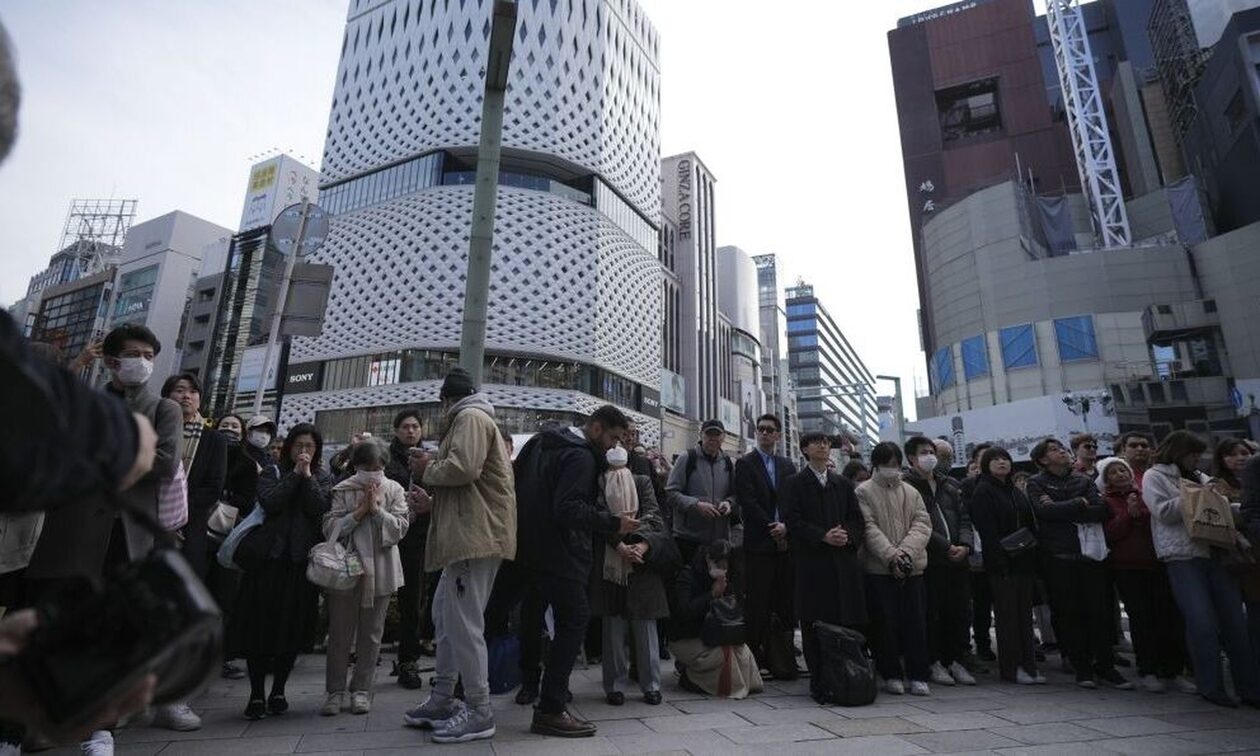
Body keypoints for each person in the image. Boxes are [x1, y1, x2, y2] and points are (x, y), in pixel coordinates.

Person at [403, 369, 515, 744]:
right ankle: (443, 697)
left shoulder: (470, 417)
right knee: (446, 618)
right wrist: (433, 503)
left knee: (464, 625)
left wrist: (426, 468)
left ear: (446, 400)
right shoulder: (476, 418)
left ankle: (479, 711)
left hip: (475, 540)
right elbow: (475, 487)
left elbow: (464, 469)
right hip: (469, 536)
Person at [510, 405, 636, 738]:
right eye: (613, 438)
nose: (614, 447)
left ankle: (482, 690)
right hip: (560, 553)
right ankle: (551, 708)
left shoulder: (540, 443)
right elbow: (568, 508)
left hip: (527, 548)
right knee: (574, 619)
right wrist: (613, 522)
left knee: (520, 618)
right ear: (595, 428)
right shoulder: (581, 456)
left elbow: (516, 484)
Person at [1145, 431, 1260, 707]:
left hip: (1218, 552)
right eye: (1192, 453)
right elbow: (1162, 512)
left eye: (1198, 454)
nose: (1196, 458)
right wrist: (1193, 497)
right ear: (1177, 451)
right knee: (1202, 622)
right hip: (1183, 556)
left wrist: (1232, 504)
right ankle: (1211, 686)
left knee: (1234, 623)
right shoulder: (1156, 476)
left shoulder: (1201, 476)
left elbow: (1222, 509)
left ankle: (1250, 688)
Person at [228, 423, 332, 720]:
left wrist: (308, 477)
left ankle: (280, 691)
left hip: (299, 564)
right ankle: (257, 694)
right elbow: (270, 502)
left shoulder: (323, 477)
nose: (304, 452)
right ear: (288, 448)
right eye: (299, 445)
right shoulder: (272, 472)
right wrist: (295, 475)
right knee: (259, 629)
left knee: (291, 630)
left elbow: (318, 508)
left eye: (309, 447)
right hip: (267, 562)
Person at [1026, 438, 1129, 690]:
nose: (1061, 452)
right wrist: (1078, 503)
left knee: (1100, 613)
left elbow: (1101, 510)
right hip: (1058, 558)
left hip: (1090, 557)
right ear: (1042, 460)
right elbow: (1044, 513)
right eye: (1053, 450)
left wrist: (1064, 507)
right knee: (1067, 614)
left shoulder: (1083, 480)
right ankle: (1082, 667)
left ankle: (1105, 665)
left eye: (1061, 448)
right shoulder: (1036, 482)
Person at [321, 438, 410, 716]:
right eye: (367, 466)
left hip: (381, 569)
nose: (373, 472)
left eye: (378, 466)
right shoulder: (342, 489)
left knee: (372, 635)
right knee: (339, 634)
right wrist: (358, 513)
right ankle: (334, 691)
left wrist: (378, 512)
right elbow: (330, 527)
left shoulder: (394, 489)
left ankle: (361, 689)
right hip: (346, 568)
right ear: (356, 465)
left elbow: (400, 529)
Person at [779, 431, 867, 703]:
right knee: (813, 624)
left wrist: (847, 536)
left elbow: (857, 520)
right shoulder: (795, 483)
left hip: (843, 563)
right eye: (816, 442)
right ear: (804, 449)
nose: (822, 446)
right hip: (812, 563)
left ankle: (846, 675)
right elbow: (792, 521)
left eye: (826, 442)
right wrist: (822, 536)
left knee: (845, 621)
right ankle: (819, 680)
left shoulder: (841, 484)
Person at [1098, 456, 1192, 694]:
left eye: (1123, 469)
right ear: (1105, 478)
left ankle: (1172, 670)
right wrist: (1129, 514)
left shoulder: (1145, 493)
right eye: (1113, 472)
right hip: (1127, 566)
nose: (1120, 474)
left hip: (1157, 561)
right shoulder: (1104, 501)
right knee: (1141, 620)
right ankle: (1147, 670)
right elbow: (1110, 534)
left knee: (1167, 618)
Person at [588, 443, 673, 706]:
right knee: (613, 624)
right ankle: (615, 685)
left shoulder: (642, 481)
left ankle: (651, 684)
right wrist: (619, 544)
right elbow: (599, 518)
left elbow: (653, 516)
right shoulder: (598, 482)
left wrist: (640, 545)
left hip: (641, 559)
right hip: (611, 561)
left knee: (645, 623)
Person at [857, 441, 933, 696]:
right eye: (886, 465)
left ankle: (918, 674)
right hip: (879, 568)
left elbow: (922, 524)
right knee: (885, 623)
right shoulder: (863, 492)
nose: (892, 469)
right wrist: (891, 555)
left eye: (895, 464)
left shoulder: (911, 492)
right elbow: (867, 527)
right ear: (876, 465)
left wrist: (906, 553)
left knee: (916, 623)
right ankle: (890, 673)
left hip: (913, 569)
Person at [902, 436, 975, 687]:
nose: (930, 456)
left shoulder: (950, 484)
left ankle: (955, 660)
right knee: (932, 613)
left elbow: (965, 518)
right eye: (924, 452)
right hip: (930, 559)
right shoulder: (906, 486)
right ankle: (934, 662)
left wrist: (965, 545)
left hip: (958, 561)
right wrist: (946, 547)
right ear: (911, 457)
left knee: (958, 613)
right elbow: (916, 523)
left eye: (932, 452)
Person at [968, 447, 1043, 684]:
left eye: (1005, 459)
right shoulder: (984, 491)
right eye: (996, 459)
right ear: (985, 464)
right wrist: (999, 559)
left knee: (1024, 615)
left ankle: (1029, 666)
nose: (1002, 463)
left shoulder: (1015, 490)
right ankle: (1012, 668)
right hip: (1002, 563)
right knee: (1008, 617)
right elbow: (987, 531)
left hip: (1024, 559)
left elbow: (1030, 521)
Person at [733, 413, 797, 675]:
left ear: (778, 435)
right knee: (757, 602)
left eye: (770, 430)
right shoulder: (745, 464)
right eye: (761, 429)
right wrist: (772, 527)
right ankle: (754, 658)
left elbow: (793, 501)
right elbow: (747, 502)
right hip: (759, 541)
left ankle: (781, 657)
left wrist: (786, 527)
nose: (765, 433)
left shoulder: (787, 465)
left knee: (784, 601)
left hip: (785, 543)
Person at [670, 539, 763, 698]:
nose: (722, 570)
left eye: (725, 566)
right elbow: (683, 612)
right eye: (719, 565)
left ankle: (744, 684)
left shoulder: (731, 576)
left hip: (717, 633)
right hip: (689, 635)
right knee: (724, 656)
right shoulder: (688, 575)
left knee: (742, 651)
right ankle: (694, 679)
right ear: (708, 559)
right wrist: (711, 595)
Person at [160, 373, 226, 585]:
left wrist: (174, 509)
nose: (186, 396)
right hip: (145, 520)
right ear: (166, 397)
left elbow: (213, 487)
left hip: (187, 529)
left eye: (193, 391)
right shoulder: (153, 431)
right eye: (179, 390)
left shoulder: (214, 439)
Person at [382, 409, 429, 690]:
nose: (411, 431)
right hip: (387, 536)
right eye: (405, 427)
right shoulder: (386, 459)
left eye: (415, 426)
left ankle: (408, 660)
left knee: (413, 601)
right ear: (397, 430)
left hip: (418, 538)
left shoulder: (428, 459)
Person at [666, 420, 737, 568]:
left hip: (719, 540)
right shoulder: (687, 458)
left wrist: (729, 503)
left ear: (723, 437)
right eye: (708, 434)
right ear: (701, 435)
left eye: (717, 435)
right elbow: (671, 493)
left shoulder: (729, 464)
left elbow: (736, 495)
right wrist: (696, 505)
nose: (713, 439)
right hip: (688, 539)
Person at [960, 442, 995, 667]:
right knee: (978, 602)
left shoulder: (1007, 486)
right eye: (987, 457)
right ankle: (980, 644)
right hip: (975, 553)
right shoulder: (967, 486)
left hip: (1000, 552)